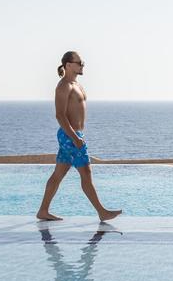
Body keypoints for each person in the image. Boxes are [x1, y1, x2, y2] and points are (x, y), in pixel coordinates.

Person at [36, 51, 122, 221]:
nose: (82, 65)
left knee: (58, 174)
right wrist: (75, 137)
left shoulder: (77, 85)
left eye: (83, 62)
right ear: (68, 65)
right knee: (86, 172)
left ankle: (43, 211)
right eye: (79, 62)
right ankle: (101, 212)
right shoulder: (63, 86)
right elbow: (60, 115)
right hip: (70, 136)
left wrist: (77, 135)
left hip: (74, 135)